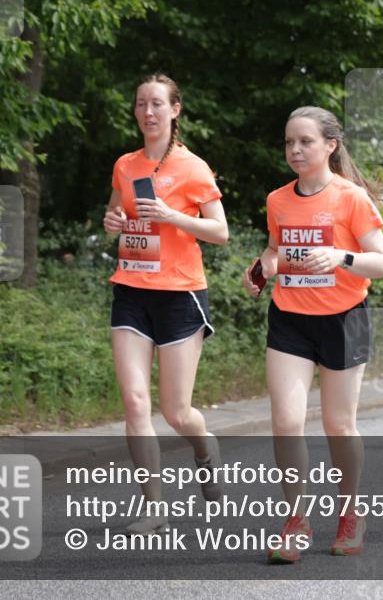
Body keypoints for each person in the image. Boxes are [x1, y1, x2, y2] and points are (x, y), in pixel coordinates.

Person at [242, 106, 383, 563]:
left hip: (343, 318)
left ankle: (350, 513)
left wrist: (341, 258)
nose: (295, 150)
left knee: (338, 425)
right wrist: (264, 267)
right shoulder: (278, 199)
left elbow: (382, 263)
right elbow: (275, 247)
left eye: (305, 141)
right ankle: (296, 520)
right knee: (286, 421)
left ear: (330, 145)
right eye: (289, 142)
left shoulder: (351, 199)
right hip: (290, 317)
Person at [102, 74, 229, 535]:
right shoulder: (125, 164)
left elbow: (220, 232)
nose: (148, 112)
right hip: (131, 291)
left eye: (157, 104)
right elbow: (116, 216)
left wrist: (174, 216)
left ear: (175, 111)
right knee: (135, 403)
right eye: (141, 103)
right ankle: (155, 506)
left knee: (177, 412)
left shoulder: (194, 168)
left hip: (180, 295)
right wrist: (113, 222)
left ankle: (203, 445)